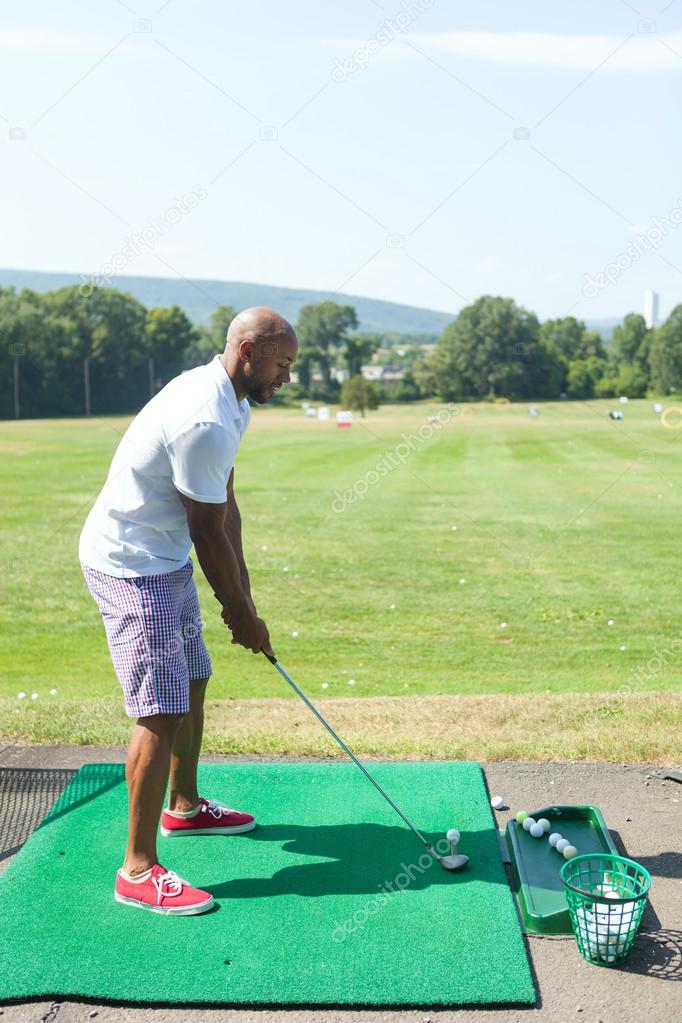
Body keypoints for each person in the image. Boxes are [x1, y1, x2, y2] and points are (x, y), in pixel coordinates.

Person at [79, 307, 298, 915]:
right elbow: (207, 533)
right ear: (248, 350)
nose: (286, 378)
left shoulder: (234, 402)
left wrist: (246, 601)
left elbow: (225, 506)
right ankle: (137, 870)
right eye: (281, 365)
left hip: (164, 556)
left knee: (193, 676)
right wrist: (240, 614)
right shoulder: (205, 416)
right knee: (161, 707)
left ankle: (184, 807)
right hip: (131, 562)